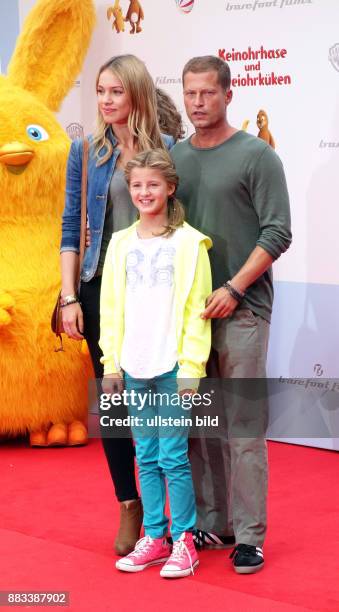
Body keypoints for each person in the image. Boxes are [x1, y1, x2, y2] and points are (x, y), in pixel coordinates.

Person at [171, 55, 292, 574]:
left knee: (242, 426)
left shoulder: (256, 155)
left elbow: (277, 232)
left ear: (228, 94)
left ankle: (249, 536)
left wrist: (235, 288)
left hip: (243, 309)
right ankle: (212, 521)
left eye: (207, 93)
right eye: (190, 94)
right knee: (201, 426)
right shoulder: (175, 156)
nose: (198, 103)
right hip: (191, 315)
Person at [60, 54, 174, 556]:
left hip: (156, 294)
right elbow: (70, 227)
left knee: (160, 405)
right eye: (100, 92)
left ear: (137, 95)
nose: (105, 101)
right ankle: (130, 505)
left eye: (115, 92)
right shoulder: (86, 153)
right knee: (114, 406)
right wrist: (68, 297)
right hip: (98, 289)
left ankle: (173, 510)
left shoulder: (171, 150)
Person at [99, 149, 212, 578]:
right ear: (130, 191)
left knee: (173, 457)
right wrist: (112, 364)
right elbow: (110, 309)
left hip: (172, 369)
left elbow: (196, 313)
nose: (145, 192)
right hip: (133, 366)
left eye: (153, 184)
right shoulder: (121, 244)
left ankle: (184, 541)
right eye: (137, 185)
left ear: (170, 188)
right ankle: (154, 536)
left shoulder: (189, 243)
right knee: (144, 456)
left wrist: (191, 369)